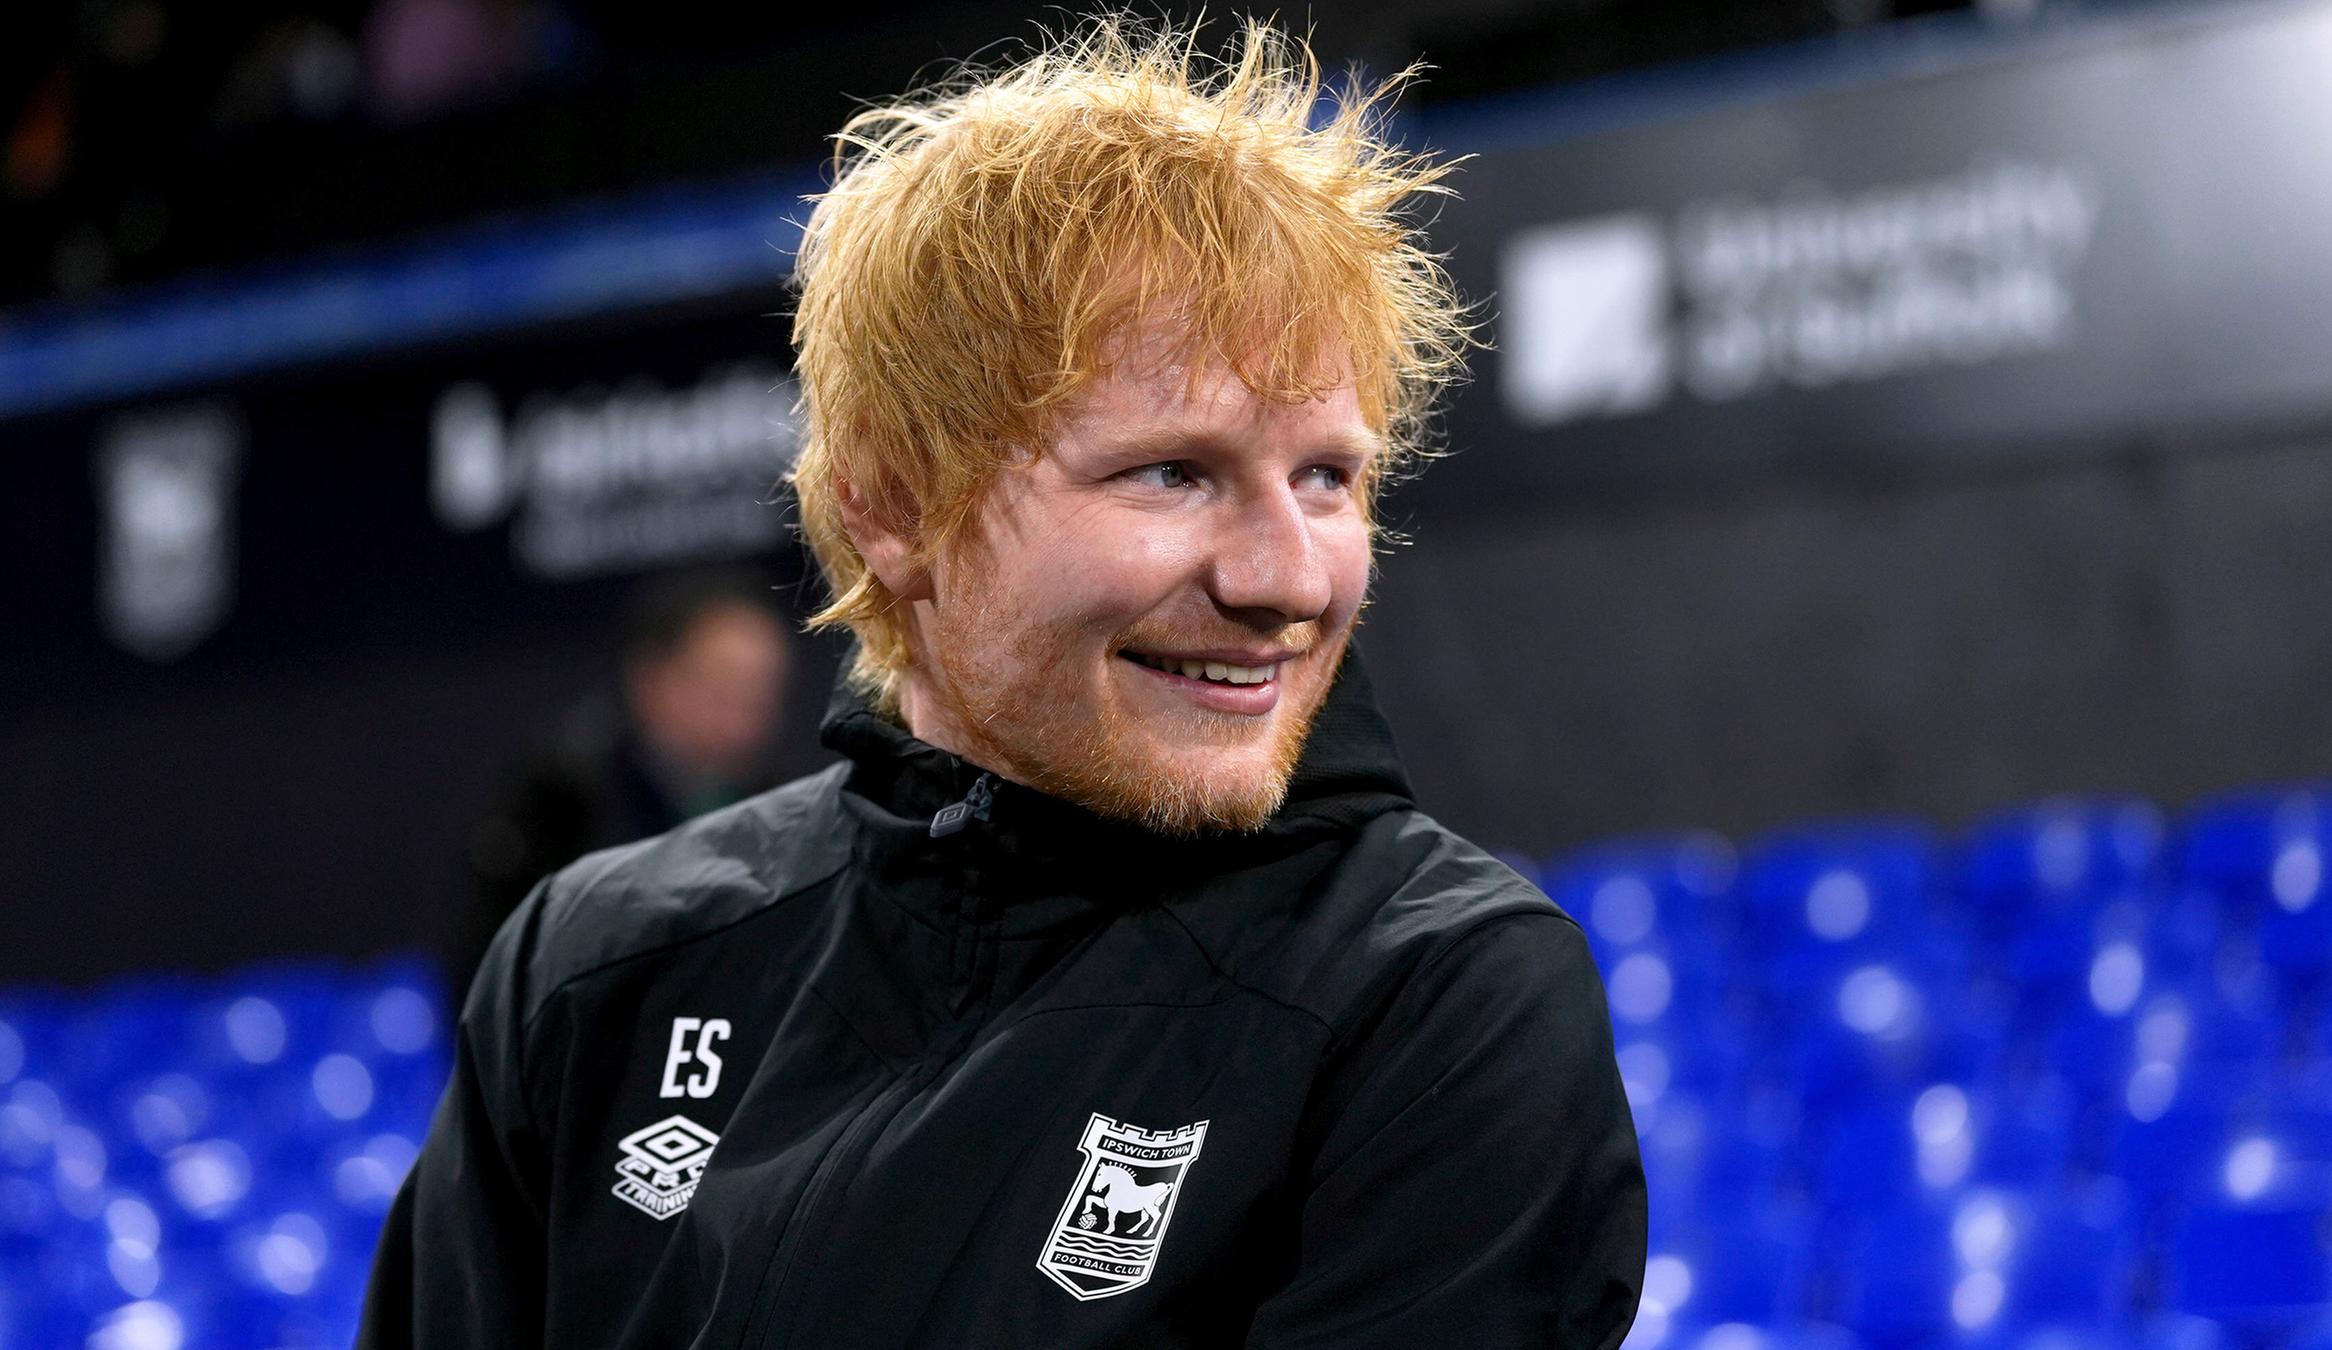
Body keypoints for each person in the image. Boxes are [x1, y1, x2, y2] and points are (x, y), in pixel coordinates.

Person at [363, 15, 1646, 1347]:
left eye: (1329, 475)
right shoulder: (595, 966)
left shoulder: (1446, 998)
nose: (1292, 575)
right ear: (897, 507)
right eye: (1174, 470)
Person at [451, 569, 793, 991]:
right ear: (651, 680)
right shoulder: (565, 796)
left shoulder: (781, 803)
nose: (746, 722)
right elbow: (494, 972)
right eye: (725, 690)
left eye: (761, 695)